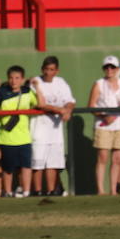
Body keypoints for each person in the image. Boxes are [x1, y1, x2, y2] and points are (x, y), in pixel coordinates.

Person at [30, 55, 74, 197]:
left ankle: (50, 191)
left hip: (55, 130)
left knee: (53, 163)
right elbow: (40, 104)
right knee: (37, 163)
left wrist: (67, 110)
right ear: (42, 69)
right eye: (46, 69)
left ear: (57, 71)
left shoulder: (61, 83)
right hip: (39, 128)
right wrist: (59, 110)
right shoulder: (35, 82)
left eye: (52, 69)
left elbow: (70, 100)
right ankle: (36, 191)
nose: (49, 72)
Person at [0, 65, 38, 197]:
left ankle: (26, 192)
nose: (14, 81)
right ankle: (7, 192)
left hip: (24, 137)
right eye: (11, 78)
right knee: (7, 168)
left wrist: (37, 86)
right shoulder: (1, 92)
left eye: (17, 78)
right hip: (7, 137)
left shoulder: (27, 91)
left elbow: (38, 104)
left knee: (25, 166)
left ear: (22, 79)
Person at [89, 55, 120, 196]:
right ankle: (101, 190)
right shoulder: (98, 84)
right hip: (103, 126)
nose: (109, 70)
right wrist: (104, 116)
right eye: (107, 67)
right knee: (103, 157)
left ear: (117, 69)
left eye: (112, 67)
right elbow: (91, 106)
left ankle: (113, 191)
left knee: (117, 158)